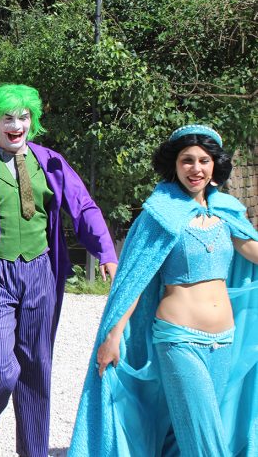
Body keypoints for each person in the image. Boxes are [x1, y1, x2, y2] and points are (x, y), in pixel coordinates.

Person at [0, 84, 118, 457]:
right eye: (7, 118)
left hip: (40, 273)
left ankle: (33, 451)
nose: (16, 125)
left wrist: (106, 252)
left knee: (35, 366)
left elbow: (83, 207)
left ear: (33, 120)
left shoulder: (50, 163)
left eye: (23, 117)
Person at [69, 125, 258, 457]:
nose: (196, 168)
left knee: (188, 431)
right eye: (187, 160)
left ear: (215, 165)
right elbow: (135, 279)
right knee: (204, 436)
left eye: (204, 160)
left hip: (224, 340)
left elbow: (252, 251)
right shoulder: (160, 214)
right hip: (178, 339)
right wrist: (113, 335)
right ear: (174, 164)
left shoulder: (228, 213)